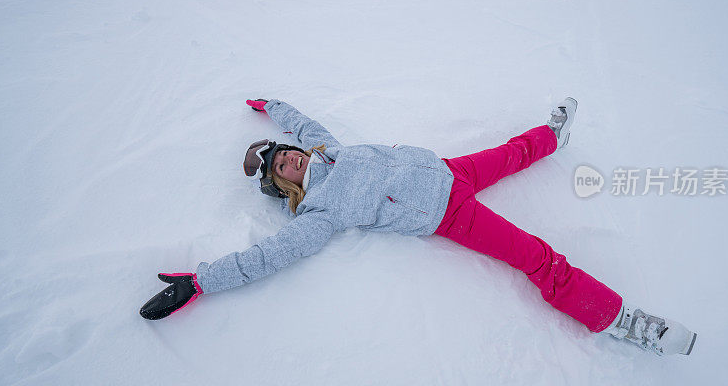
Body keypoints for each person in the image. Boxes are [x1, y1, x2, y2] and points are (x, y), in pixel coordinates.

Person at [140, 97, 697, 356]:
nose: (290, 161)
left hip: (446, 170)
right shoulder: (319, 213)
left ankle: (553, 137)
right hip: (449, 214)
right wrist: (202, 280)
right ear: (284, 187)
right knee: (536, 256)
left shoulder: (325, 149)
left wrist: (273, 107)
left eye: (286, 154)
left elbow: (304, 123)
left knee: (511, 152)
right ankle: (626, 321)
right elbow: (267, 257)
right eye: (282, 169)